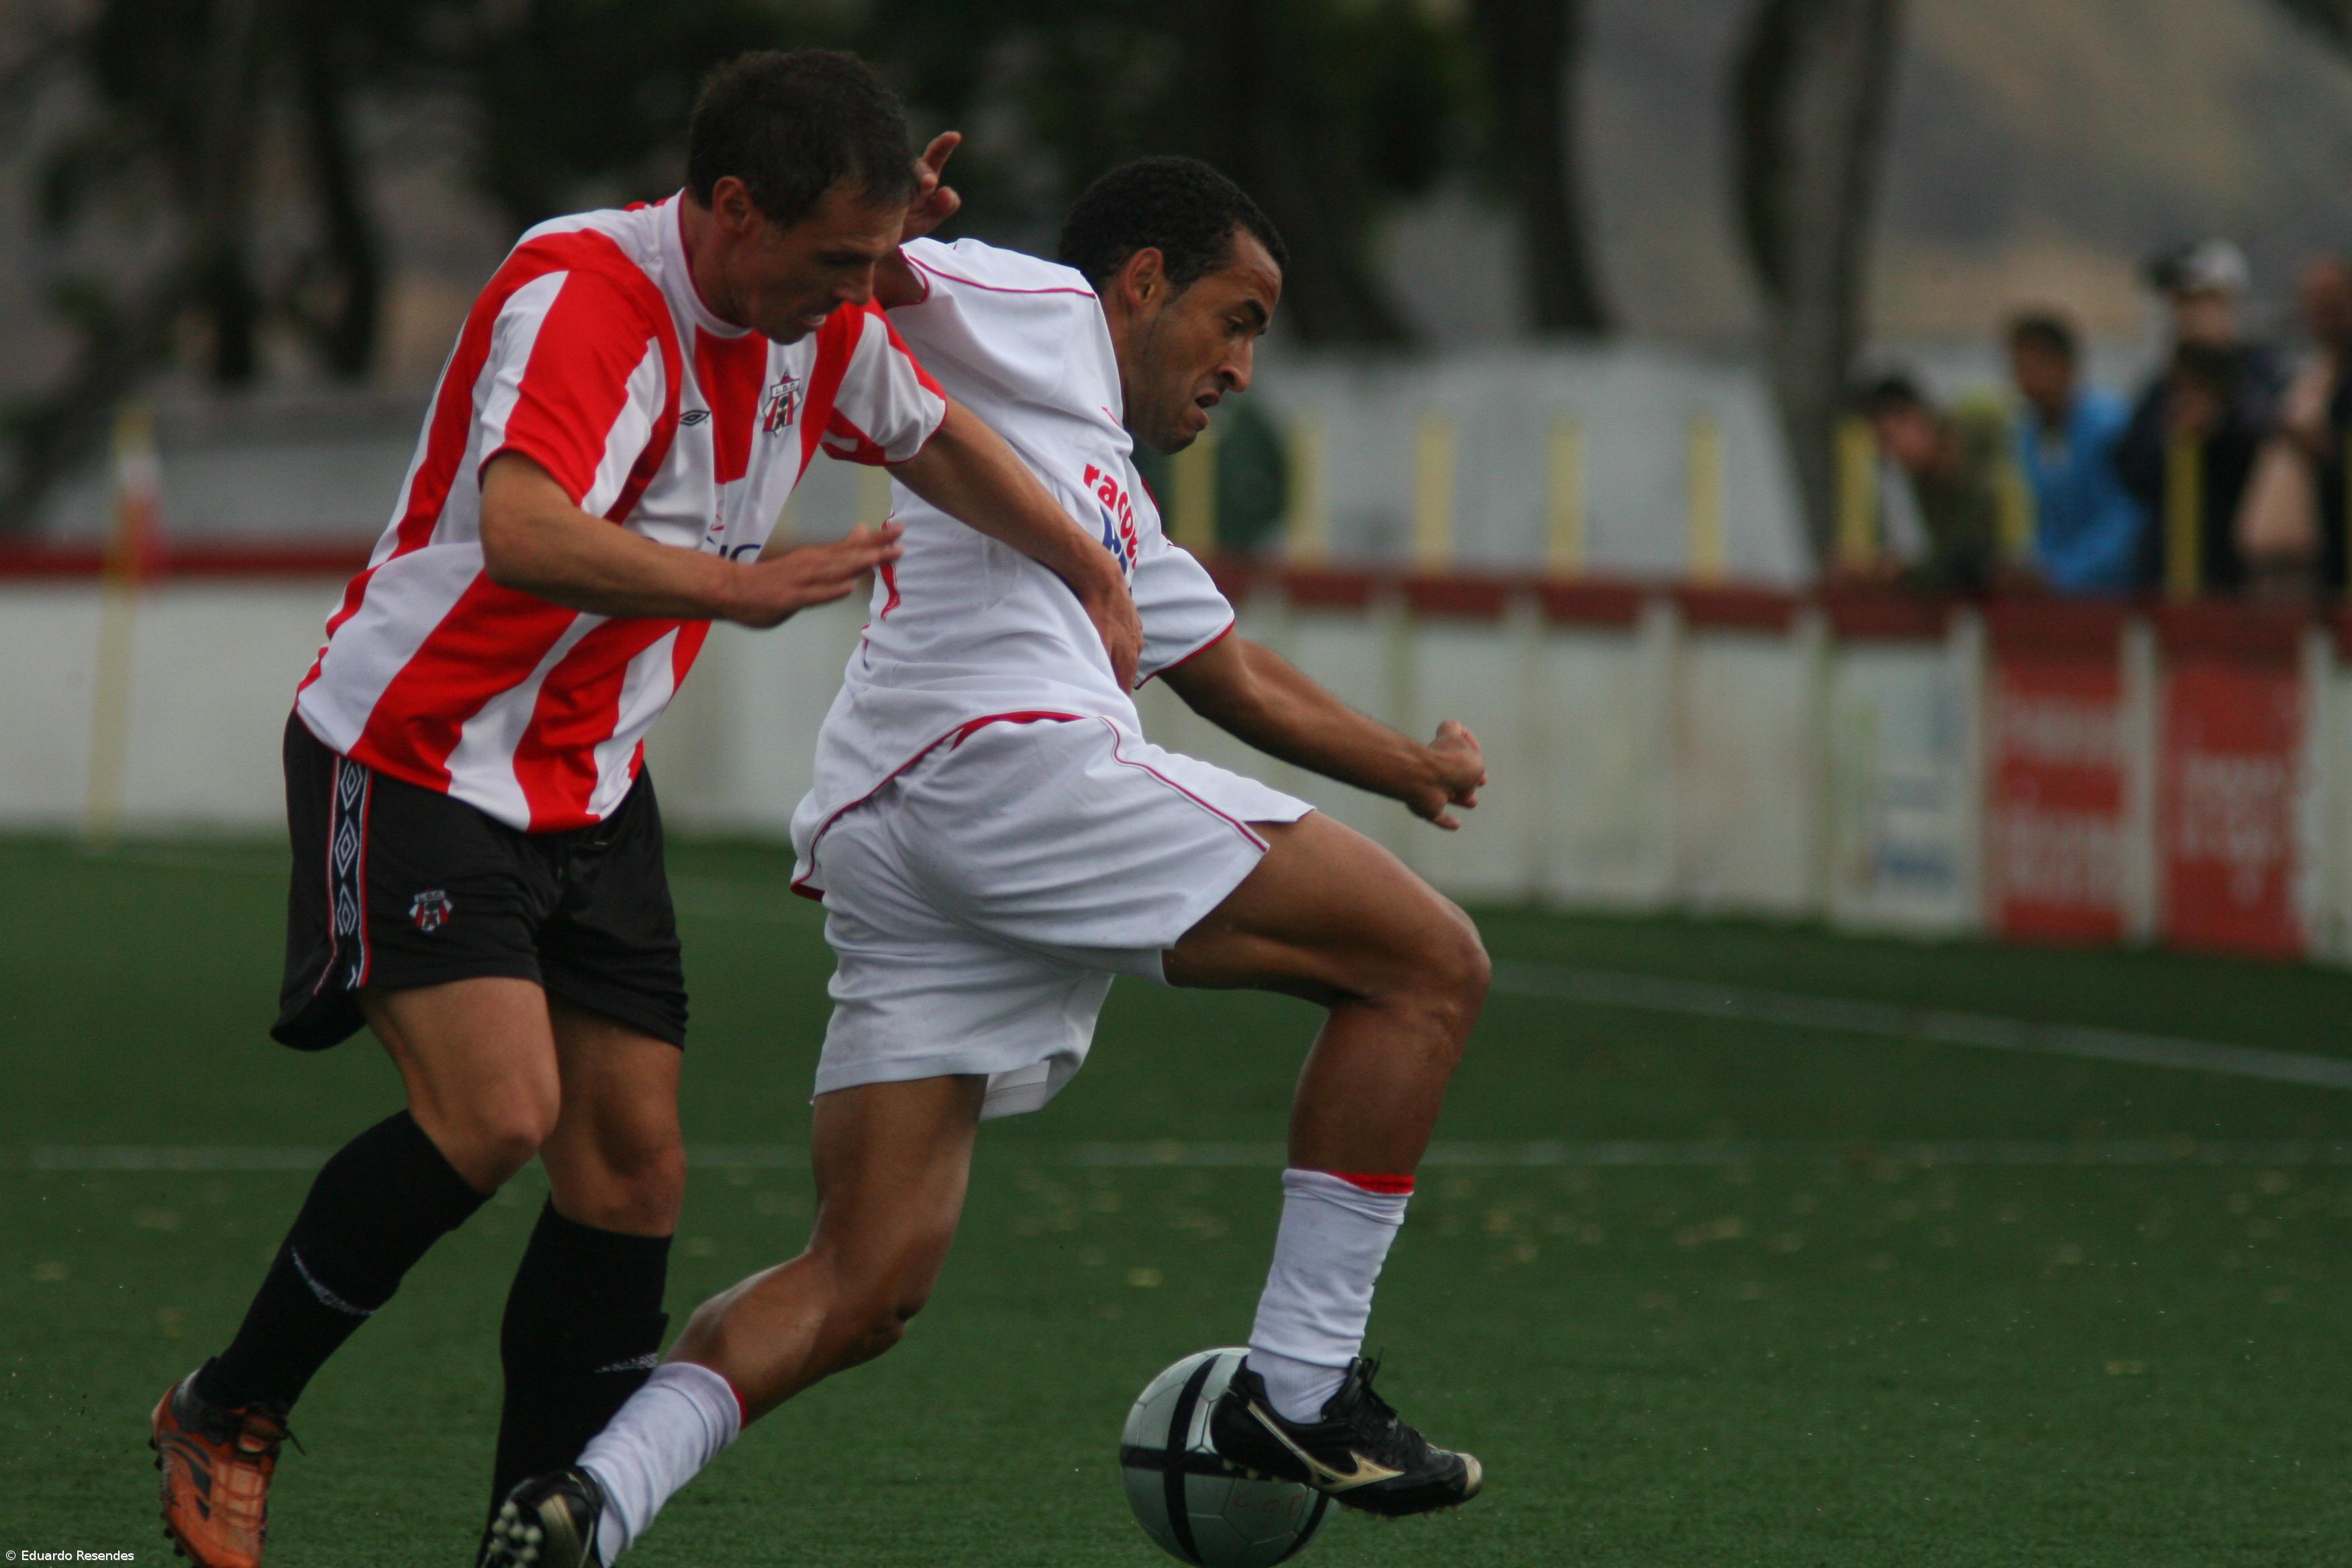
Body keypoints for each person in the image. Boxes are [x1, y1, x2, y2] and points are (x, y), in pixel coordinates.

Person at [148, 50, 1142, 1568]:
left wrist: (1086, 566)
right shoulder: (586, 297)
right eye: (838, 260)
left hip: (592, 783)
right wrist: (733, 589)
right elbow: (524, 529)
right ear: (734, 208)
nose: (863, 293)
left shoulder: (818, 315)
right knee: (498, 1114)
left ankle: (535, 1535)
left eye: (874, 260)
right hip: (418, 750)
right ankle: (227, 1406)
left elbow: (934, 434)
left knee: (631, 1174)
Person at [479, 154, 1491, 1568]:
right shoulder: (1044, 305)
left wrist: (1412, 769)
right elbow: (872, 276)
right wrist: (880, 211)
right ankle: (1302, 1385)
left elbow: (1235, 675)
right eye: (1237, 319)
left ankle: (586, 1506)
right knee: (1427, 966)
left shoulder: (1110, 495)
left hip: (903, 827)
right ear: (1142, 282)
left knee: (866, 1282)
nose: (1242, 366)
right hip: (1003, 768)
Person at [2114, 238, 2280, 593]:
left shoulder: (2259, 372)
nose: (2185, 314)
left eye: (2196, 301)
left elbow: (2266, 440)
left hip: (2239, 575)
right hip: (2169, 569)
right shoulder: (2165, 384)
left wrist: (2221, 419)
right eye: (2178, 303)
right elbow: (2132, 469)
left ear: (2227, 301)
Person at [2006, 311, 2143, 593]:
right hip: (2065, 594)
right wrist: (2035, 567)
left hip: (2119, 590)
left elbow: (2127, 520)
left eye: (2034, 363)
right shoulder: (2028, 436)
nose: (2023, 375)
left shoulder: (2108, 424)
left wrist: (2059, 573)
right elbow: (2048, 522)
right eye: (2018, 364)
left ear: (2064, 365)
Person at [1855, 372, 2006, 593]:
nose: (1890, 452)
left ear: (1917, 419)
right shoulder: (1922, 477)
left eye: (1889, 437)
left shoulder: (1979, 457)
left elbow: (1975, 559)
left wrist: (1905, 573)